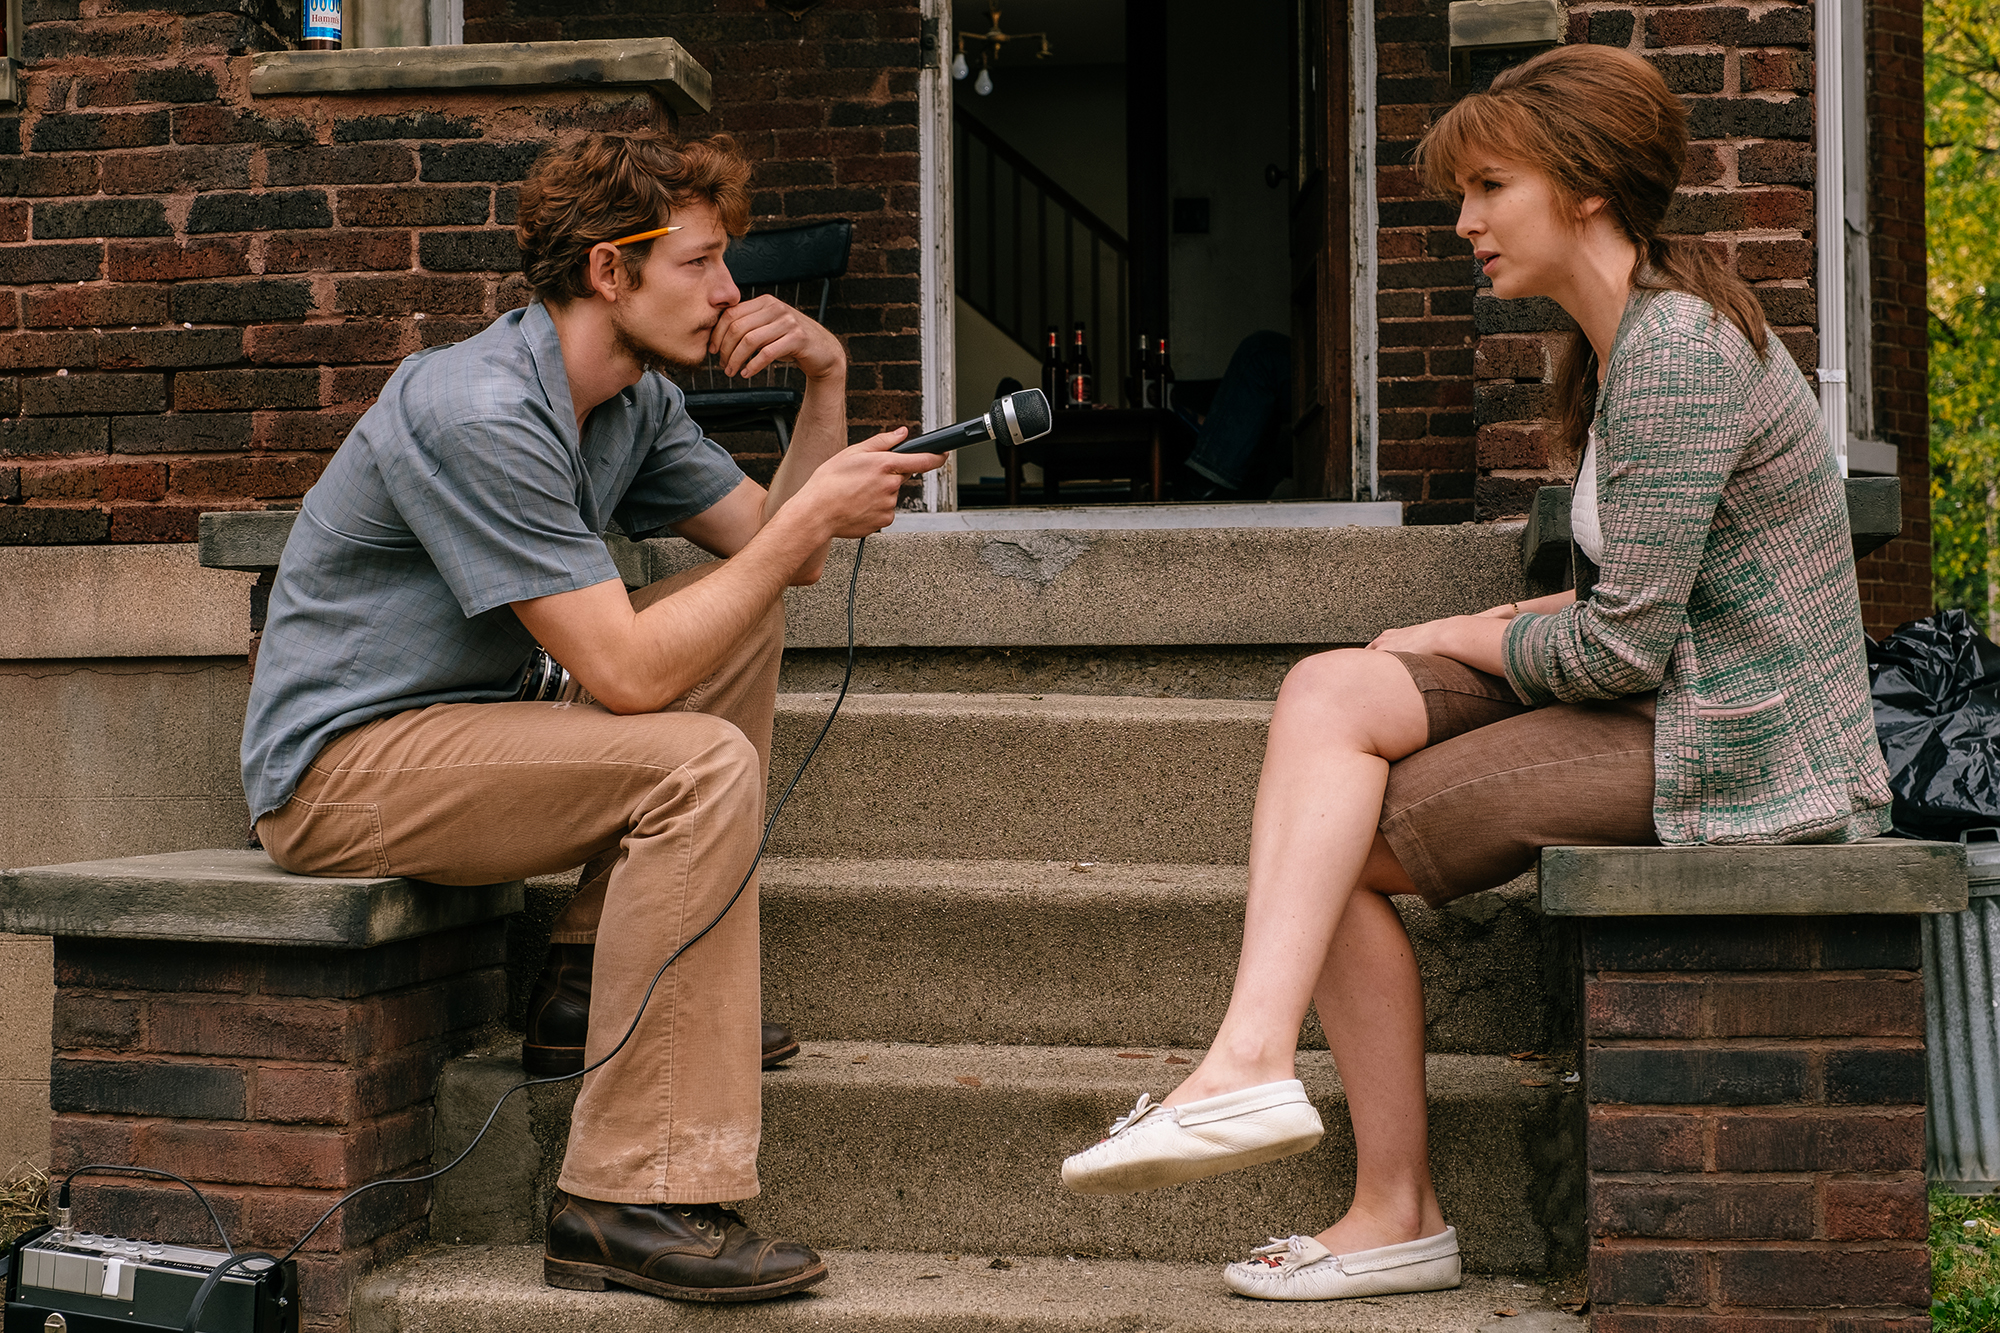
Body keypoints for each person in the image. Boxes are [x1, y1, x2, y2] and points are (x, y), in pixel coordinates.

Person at [1057, 44, 1893, 1302]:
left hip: (1739, 739)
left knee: (1337, 844)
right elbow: (1632, 596)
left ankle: (1370, 1187)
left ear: (1585, 187)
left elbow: (1622, 644)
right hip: (1674, 687)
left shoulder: (1673, 354)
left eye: (1487, 186)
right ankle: (1249, 1064)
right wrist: (1471, 622)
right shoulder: (1627, 340)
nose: (1462, 222)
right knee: (1327, 692)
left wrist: (1449, 635)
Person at [239, 130, 942, 1303]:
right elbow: (621, 669)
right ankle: (623, 1196)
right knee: (700, 764)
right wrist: (799, 522)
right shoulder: (476, 408)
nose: (731, 293)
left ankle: (577, 988)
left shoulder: (634, 403)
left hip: (480, 730)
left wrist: (823, 381)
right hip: (341, 772)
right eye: (704, 264)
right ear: (611, 274)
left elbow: (782, 557)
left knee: (740, 616)